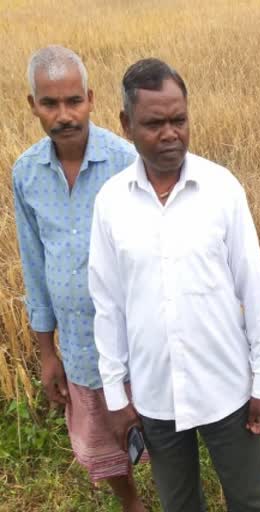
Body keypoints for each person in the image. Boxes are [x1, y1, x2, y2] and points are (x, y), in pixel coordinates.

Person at [88, 58, 260, 512]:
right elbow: (108, 304)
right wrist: (115, 395)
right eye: (154, 123)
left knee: (252, 502)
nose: (170, 133)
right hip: (155, 394)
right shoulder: (111, 203)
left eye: (179, 120)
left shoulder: (222, 189)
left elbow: (253, 287)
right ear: (125, 124)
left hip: (226, 387)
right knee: (178, 503)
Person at [11, 45, 144, 511]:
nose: (63, 114)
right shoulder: (26, 174)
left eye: (73, 101)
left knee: (151, 430)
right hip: (79, 346)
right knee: (101, 437)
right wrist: (48, 353)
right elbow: (34, 264)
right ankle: (131, 503)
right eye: (49, 103)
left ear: (90, 98)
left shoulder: (127, 162)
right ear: (32, 106)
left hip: (134, 340)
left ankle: (173, 490)